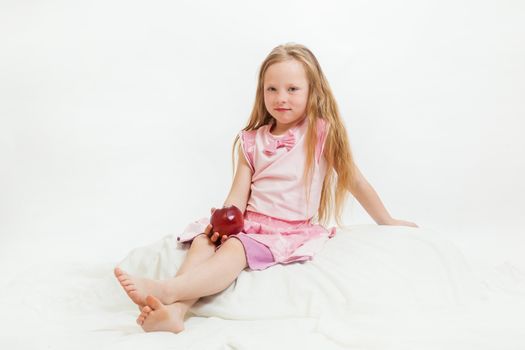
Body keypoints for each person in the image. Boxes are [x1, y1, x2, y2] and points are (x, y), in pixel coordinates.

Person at [114, 42, 418, 333]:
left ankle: (166, 290)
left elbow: (355, 180)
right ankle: (176, 313)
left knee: (234, 249)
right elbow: (238, 193)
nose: (280, 97)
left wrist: (387, 220)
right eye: (271, 88)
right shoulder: (250, 139)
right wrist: (224, 219)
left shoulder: (320, 133)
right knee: (204, 241)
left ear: (313, 91)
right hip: (249, 223)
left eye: (292, 89)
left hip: (285, 230)